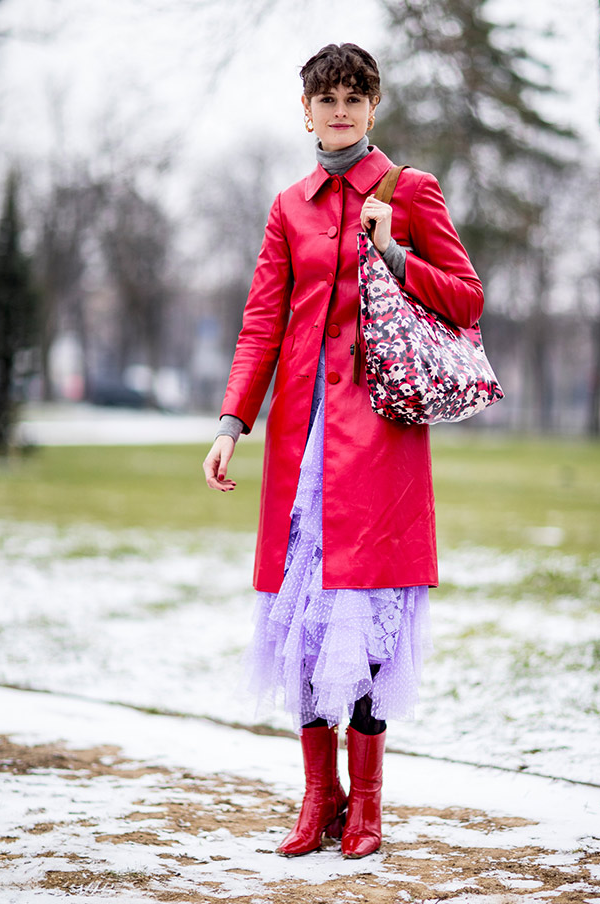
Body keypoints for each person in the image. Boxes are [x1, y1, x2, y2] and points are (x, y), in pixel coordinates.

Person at [203, 43, 483, 860]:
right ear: (305, 109)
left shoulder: (410, 191)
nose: (338, 110)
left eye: (354, 97)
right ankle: (317, 799)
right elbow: (262, 321)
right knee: (302, 622)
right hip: (300, 444)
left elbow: (467, 298)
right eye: (325, 97)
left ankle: (366, 809)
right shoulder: (288, 205)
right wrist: (231, 424)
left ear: (373, 107)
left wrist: (395, 250)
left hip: (381, 442)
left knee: (364, 622)